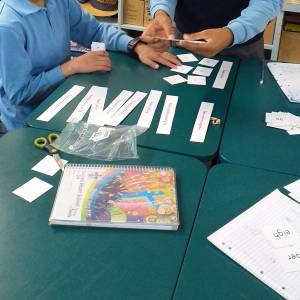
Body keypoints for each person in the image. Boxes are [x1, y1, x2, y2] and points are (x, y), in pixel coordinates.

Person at [0, 0, 180, 131]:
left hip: (63, 98)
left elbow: (95, 30)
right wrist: (70, 67)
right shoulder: (7, 25)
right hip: (29, 121)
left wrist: (135, 46)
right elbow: (20, 93)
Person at [142, 0, 282, 59]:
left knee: (240, 109)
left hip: (242, 49)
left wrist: (233, 33)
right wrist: (161, 11)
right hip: (183, 41)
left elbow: (268, 2)